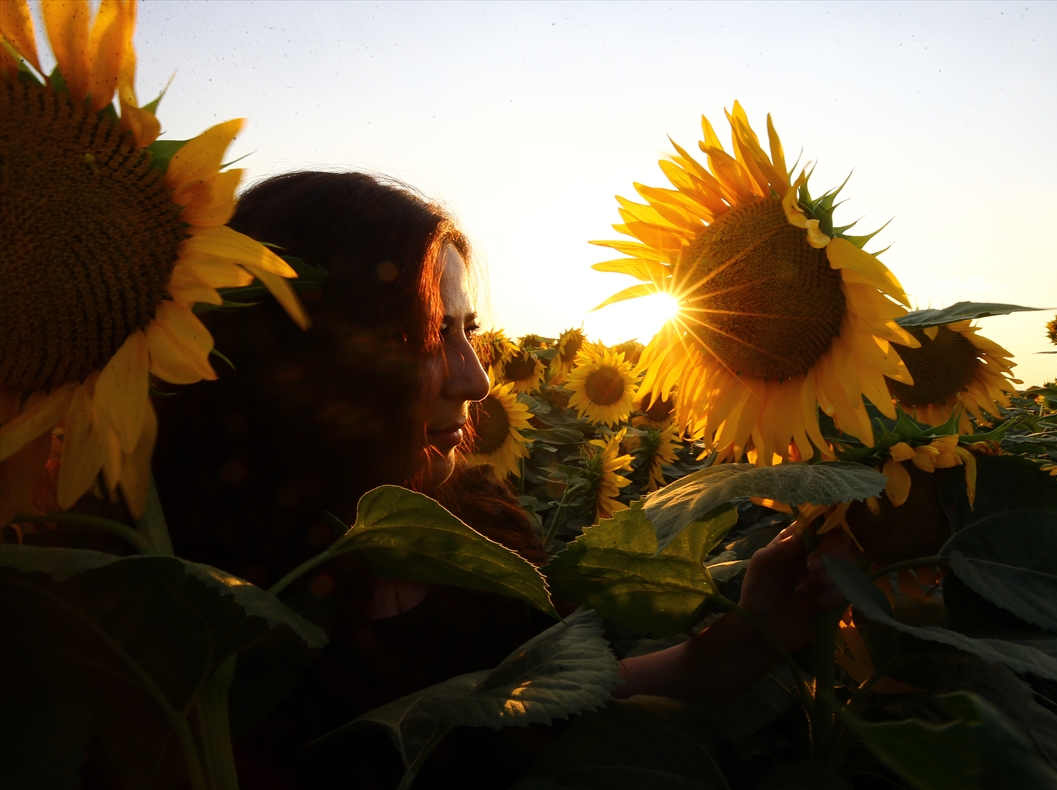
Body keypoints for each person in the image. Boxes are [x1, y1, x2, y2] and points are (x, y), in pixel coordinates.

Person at [151, 170, 851, 788]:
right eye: (424, 337)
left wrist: (743, 642)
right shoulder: (180, 591)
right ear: (304, 356)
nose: (475, 377)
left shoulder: (476, 523)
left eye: (467, 329)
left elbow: (545, 701)